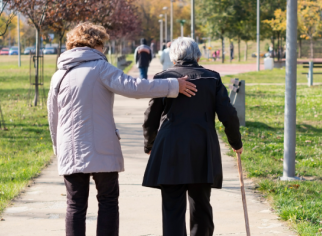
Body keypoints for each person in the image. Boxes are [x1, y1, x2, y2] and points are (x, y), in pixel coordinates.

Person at [47, 22, 198, 236]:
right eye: (103, 46)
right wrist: (174, 86)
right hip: (102, 149)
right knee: (107, 201)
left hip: (69, 149)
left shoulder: (58, 75)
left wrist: (58, 147)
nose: (104, 50)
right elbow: (134, 87)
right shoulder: (99, 67)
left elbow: (53, 116)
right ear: (96, 44)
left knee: (74, 205)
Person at [142, 37, 243, 236]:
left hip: (170, 146)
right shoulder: (212, 78)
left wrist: (149, 143)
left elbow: (151, 115)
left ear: (173, 56)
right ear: (197, 55)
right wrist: (236, 142)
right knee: (201, 205)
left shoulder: (164, 76)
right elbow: (228, 114)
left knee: (172, 208)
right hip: (202, 147)